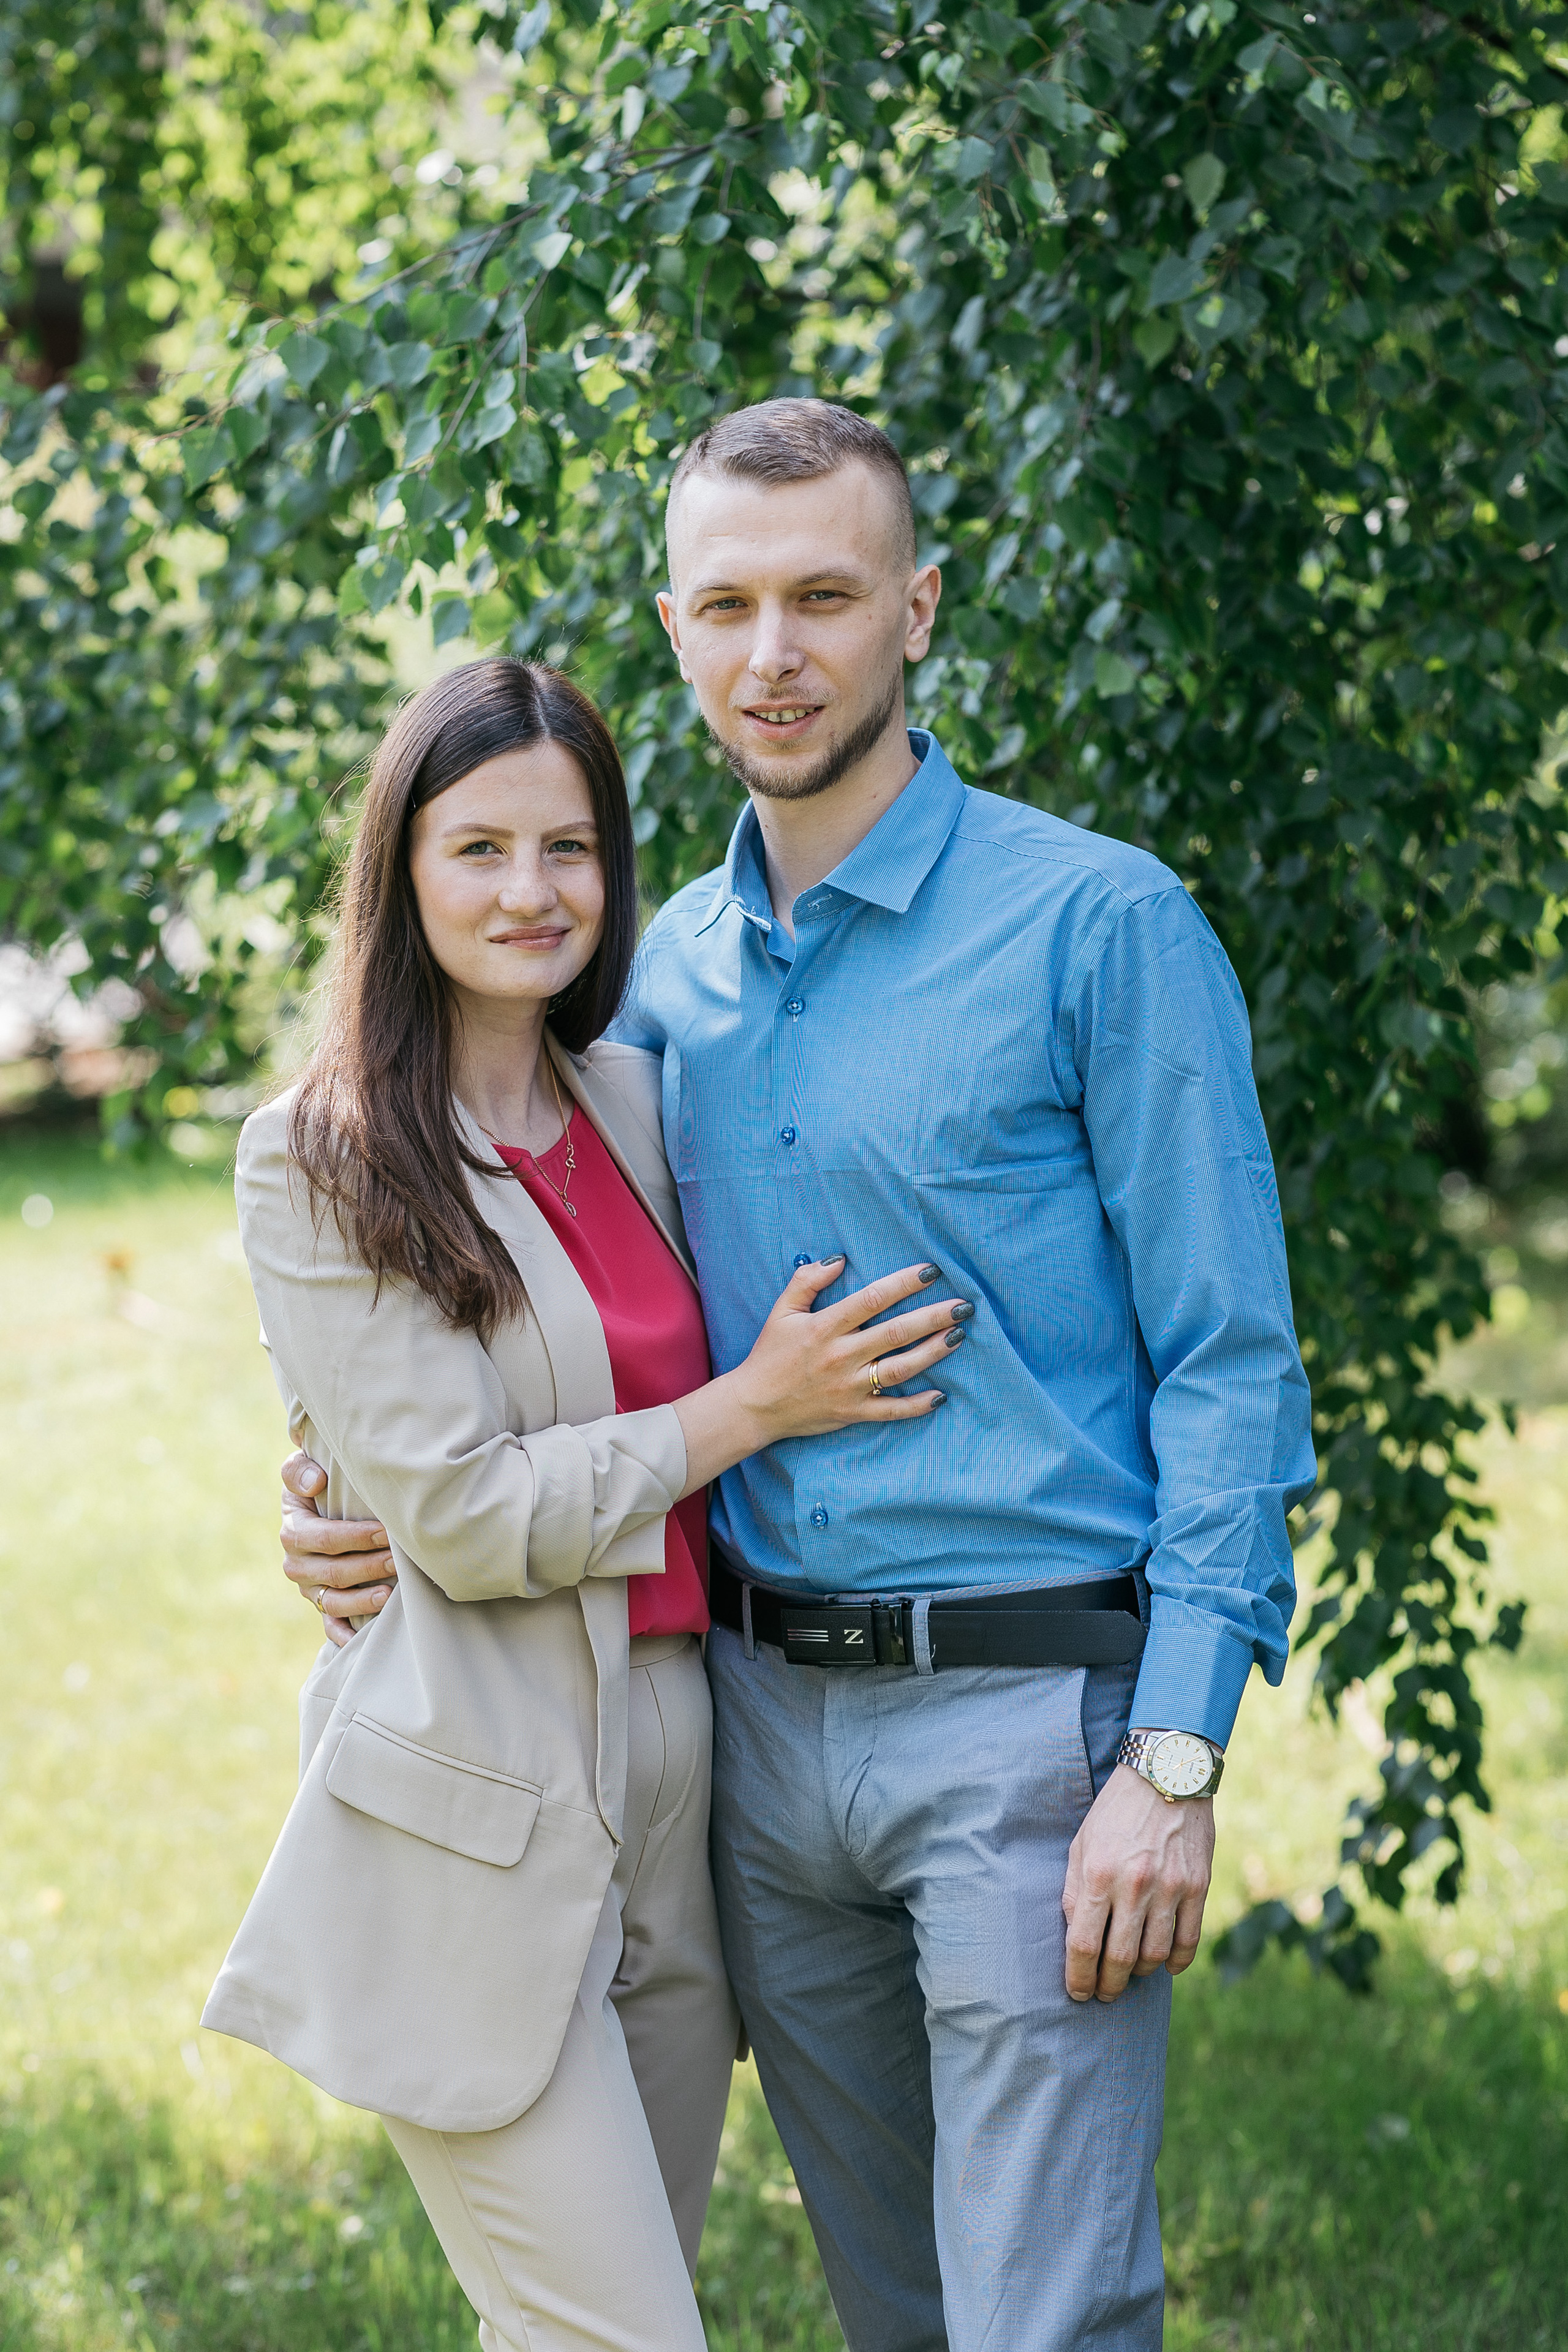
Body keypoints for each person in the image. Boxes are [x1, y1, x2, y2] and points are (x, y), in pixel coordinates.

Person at [277, 401, 1316, 2351]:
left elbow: (1235, 1366)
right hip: (745, 1739)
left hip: (1030, 1723)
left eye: (827, 598)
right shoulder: (651, 978)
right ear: (673, 631)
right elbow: (529, 1301)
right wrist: (343, 1490)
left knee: (1045, 2314)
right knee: (896, 2305)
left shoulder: (1101, 925)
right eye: (731, 605)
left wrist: (1171, 1763)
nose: (778, 654)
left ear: (915, 609)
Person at [203, 655, 971, 2352]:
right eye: (479, 849)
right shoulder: (322, 1156)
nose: (531, 892)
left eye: (570, 849)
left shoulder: (633, 1094)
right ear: (401, 872)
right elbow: (466, 1518)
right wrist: (739, 1412)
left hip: (678, 1801)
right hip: (482, 1804)